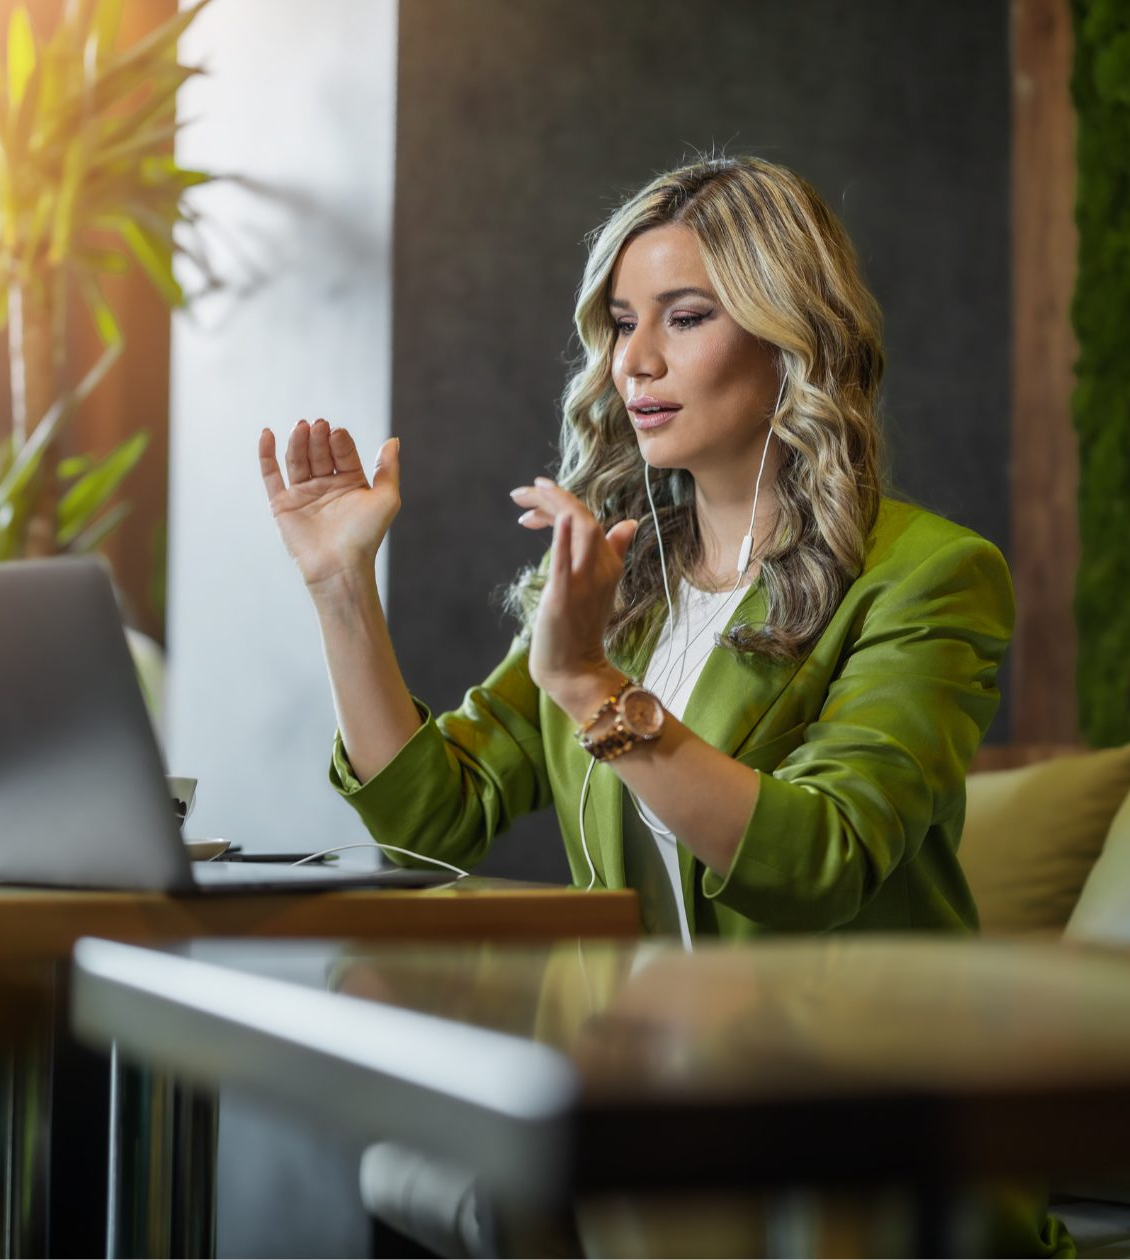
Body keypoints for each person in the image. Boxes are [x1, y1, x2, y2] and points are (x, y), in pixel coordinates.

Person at [259, 155, 1072, 1256]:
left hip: (850, 1150)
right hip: (651, 1128)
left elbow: (820, 856)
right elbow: (430, 813)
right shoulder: (618, 582)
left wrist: (591, 688)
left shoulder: (928, 576)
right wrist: (339, 586)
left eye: (682, 319)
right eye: (617, 324)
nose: (631, 362)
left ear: (795, 338)